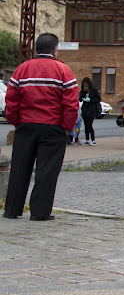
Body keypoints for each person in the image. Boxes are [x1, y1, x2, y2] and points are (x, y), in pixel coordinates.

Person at [4, 33, 79, 221]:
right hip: (52, 128)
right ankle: (40, 212)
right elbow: (71, 104)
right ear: (55, 49)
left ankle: (12, 210)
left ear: (37, 48)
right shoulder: (64, 71)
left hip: (26, 126)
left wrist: (17, 122)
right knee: (46, 171)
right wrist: (66, 128)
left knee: (19, 169)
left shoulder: (22, 69)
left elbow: (11, 100)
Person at [79, 77, 101, 146]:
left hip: (92, 109)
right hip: (85, 109)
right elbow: (80, 99)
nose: (85, 85)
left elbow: (98, 99)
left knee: (89, 124)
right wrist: (83, 92)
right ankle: (87, 139)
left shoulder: (94, 90)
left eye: (86, 84)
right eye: (84, 84)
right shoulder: (83, 91)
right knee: (86, 125)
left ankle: (93, 139)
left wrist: (90, 99)